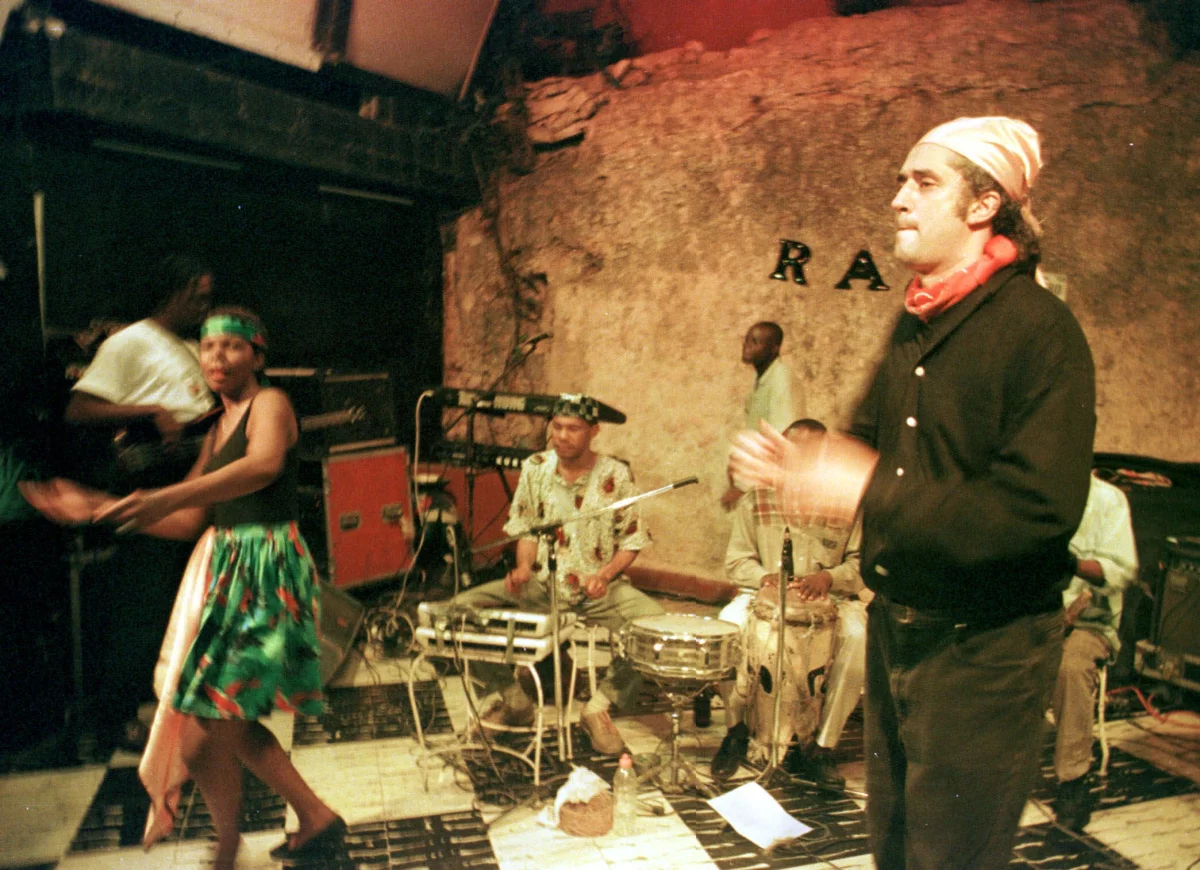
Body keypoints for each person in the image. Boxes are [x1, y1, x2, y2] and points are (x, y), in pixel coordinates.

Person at [731, 117, 1096, 869]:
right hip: (901, 631)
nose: (898, 198)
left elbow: (1035, 515)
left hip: (984, 653)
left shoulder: (1042, 331)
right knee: (895, 851)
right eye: (902, 180)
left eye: (923, 182)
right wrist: (797, 461)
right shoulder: (918, 317)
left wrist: (864, 481)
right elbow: (867, 448)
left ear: (984, 204)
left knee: (950, 858)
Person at [24, 307, 343, 870]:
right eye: (208, 346)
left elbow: (264, 465)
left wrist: (161, 496)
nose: (218, 356)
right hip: (225, 570)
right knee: (234, 727)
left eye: (233, 346)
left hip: (265, 570)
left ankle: (224, 853)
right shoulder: (218, 427)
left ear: (258, 356)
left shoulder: (271, 405)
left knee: (202, 735)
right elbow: (189, 520)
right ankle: (314, 817)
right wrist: (96, 508)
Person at [61, 254, 217, 756]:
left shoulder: (190, 347)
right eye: (199, 295)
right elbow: (79, 408)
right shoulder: (131, 341)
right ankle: (116, 716)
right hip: (154, 479)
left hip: (194, 477)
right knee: (142, 603)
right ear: (174, 290)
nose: (204, 305)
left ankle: (171, 704)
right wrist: (151, 409)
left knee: (182, 601)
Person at [448, 396, 661, 754]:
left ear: (594, 431)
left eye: (573, 428)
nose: (562, 436)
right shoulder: (536, 467)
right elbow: (527, 529)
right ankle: (514, 701)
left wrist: (605, 575)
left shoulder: (616, 475)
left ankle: (598, 708)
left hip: (597, 591)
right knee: (455, 612)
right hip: (543, 586)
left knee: (653, 623)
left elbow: (632, 540)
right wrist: (523, 569)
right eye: (557, 427)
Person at [711, 419, 867, 787]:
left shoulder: (847, 504)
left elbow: (860, 563)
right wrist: (765, 579)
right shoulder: (756, 499)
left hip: (832, 600)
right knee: (726, 627)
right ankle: (735, 730)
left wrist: (828, 578)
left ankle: (821, 747)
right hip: (763, 597)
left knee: (859, 639)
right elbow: (737, 561)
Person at [1053, 472, 1138, 831]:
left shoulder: (1107, 499)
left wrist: (1069, 565)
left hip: (1088, 622)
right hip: (1034, 617)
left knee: (1069, 667)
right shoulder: (1030, 491)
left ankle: (1073, 780)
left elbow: (1120, 572)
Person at [720, 322, 805, 510]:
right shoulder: (761, 381)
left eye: (756, 341)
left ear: (775, 348)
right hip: (753, 487)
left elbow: (782, 440)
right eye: (746, 340)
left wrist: (746, 487)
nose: (747, 346)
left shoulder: (781, 379)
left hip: (768, 490)